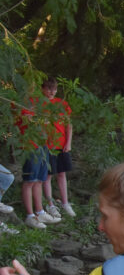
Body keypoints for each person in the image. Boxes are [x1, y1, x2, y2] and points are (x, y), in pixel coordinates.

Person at [15, 92, 61, 229]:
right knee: (29, 181)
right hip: (30, 146)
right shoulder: (20, 106)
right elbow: (34, 120)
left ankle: (40, 211)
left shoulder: (39, 107)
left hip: (42, 145)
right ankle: (30, 216)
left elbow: (47, 121)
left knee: (40, 180)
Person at [40, 78, 76, 218]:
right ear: (43, 89)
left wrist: (68, 142)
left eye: (54, 89)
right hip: (47, 145)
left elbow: (68, 124)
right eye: (48, 88)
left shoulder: (62, 104)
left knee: (62, 174)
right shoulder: (40, 104)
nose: (51, 92)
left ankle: (65, 203)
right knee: (48, 175)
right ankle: (50, 205)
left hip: (61, 144)